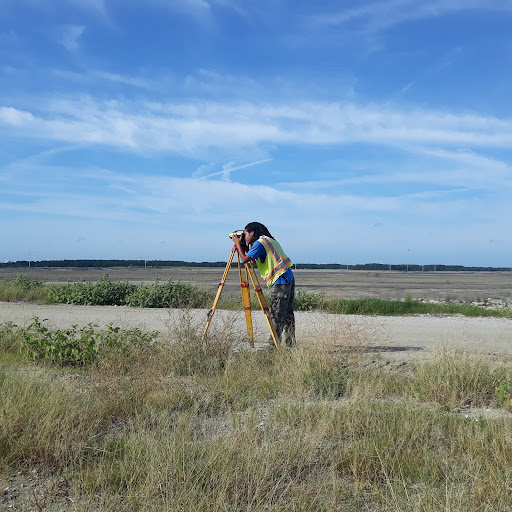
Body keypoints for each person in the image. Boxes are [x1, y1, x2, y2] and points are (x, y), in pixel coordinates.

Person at [231, 222, 296, 348]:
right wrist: (243, 246)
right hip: (288, 278)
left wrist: (237, 244)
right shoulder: (269, 240)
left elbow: (244, 260)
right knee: (288, 314)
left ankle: (273, 347)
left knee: (276, 315)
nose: (244, 237)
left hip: (280, 281)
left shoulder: (260, 243)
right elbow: (257, 260)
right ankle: (290, 345)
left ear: (252, 233)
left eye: (245, 234)